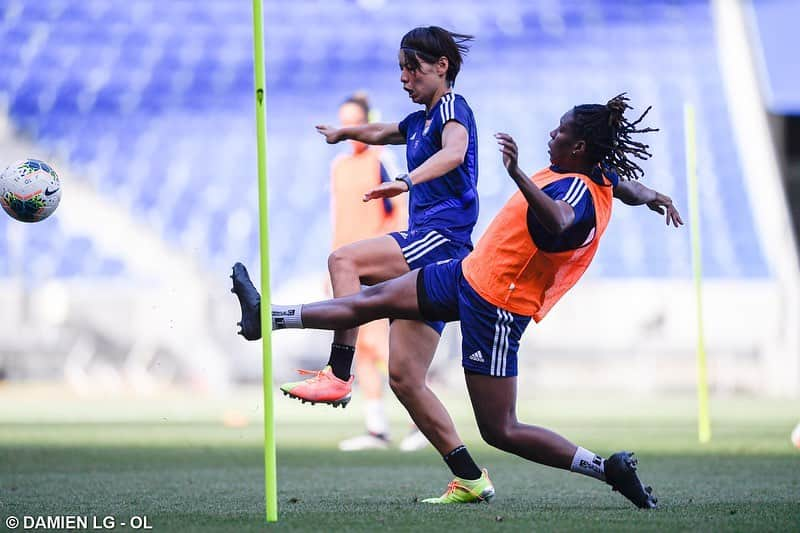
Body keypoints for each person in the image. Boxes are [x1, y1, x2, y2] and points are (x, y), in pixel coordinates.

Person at [255, 94, 683, 507]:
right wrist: (655, 197)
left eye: (562, 130)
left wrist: (515, 172)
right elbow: (625, 186)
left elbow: (558, 220)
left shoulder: (576, 190)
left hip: (496, 305)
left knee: (502, 430)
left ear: (579, 147)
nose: (552, 133)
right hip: (467, 274)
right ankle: (269, 317)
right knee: (373, 300)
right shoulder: (597, 176)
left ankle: (605, 469)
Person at [233, 26, 484, 474]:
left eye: (413, 68)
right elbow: (383, 130)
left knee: (343, 260)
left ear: (442, 67)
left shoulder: (451, 107)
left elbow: (453, 152)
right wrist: (344, 131)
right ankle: (470, 477)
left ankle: (338, 373)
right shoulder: (420, 118)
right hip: (438, 252)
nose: (404, 78)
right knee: (405, 380)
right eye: (400, 70)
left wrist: (406, 180)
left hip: (441, 240)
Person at [326, 91, 423, 451]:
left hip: (377, 266)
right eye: (344, 120)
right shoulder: (339, 167)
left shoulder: (380, 160)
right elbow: (340, 220)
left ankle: (419, 422)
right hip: (348, 267)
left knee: (382, 347)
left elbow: (397, 212)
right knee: (361, 349)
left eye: (355, 120)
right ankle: (377, 427)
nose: (348, 128)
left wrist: (394, 263)